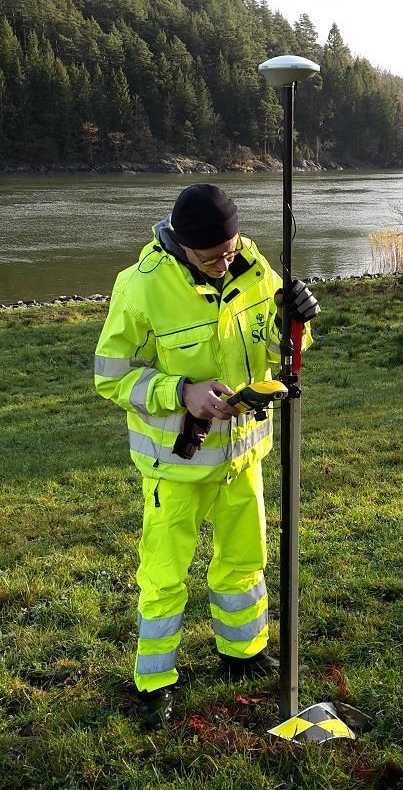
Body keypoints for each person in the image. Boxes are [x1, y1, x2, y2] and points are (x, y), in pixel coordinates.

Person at [94, 184, 319, 727]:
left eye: (228, 248)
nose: (223, 262)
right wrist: (181, 391)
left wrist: (298, 320)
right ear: (181, 245)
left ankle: (242, 654)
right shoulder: (140, 287)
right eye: (209, 256)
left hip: (242, 457)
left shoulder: (254, 268)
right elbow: (111, 376)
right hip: (176, 464)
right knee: (165, 575)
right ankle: (155, 682)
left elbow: (278, 348)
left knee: (244, 561)